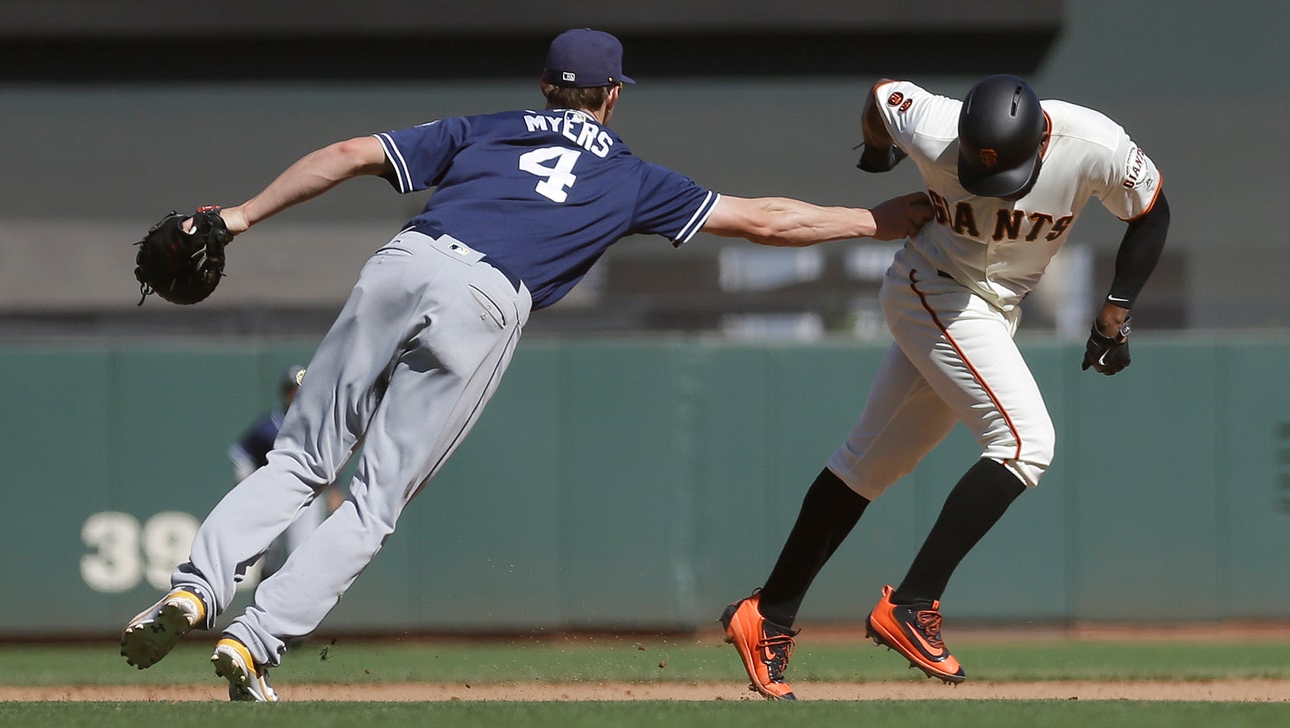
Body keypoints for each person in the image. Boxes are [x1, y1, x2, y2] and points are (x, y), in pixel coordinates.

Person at [118, 28, 932, 702]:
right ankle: (255, 640)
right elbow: (762, 220)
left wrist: (240, 215)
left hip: (406, 258)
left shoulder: (486, 127)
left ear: (546, 87)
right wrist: (870, 218)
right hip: (485, 297)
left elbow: (348, 151)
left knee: (298, 457)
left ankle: (195, 588)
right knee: (372, 502)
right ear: (613, 97)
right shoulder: (630, 175)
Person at [720, 74, 1169, 700]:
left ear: (1041, 141)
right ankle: (914, 602)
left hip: (991, 306)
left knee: (865, 467)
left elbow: (1151, 211)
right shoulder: (933, 122)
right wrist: (876, 152)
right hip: (935, 287)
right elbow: (881, 96)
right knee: (1024, 443)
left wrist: (1115, 312)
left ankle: (767, 613)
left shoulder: (1093, 142)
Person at [228, 364, 342, 581]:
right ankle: (263, 601)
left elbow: (333, 458)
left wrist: (335, 488)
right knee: (271, 555)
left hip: (308, 496)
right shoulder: (269, 425)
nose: (297, 395)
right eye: (293, 390)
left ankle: (296, 608)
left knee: (303, 553)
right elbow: (242, 455)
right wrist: (248, 485)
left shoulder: (319, 425)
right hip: (273, 496)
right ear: (286, 393)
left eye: (302, 389)